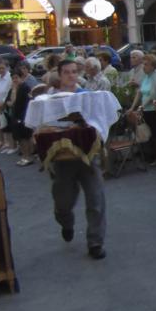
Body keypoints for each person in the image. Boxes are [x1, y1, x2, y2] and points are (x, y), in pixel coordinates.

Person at [45, 60, 108, 259]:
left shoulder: (86, 96)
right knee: (63, 202)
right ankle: (66, 222)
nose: (71, 76)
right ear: (59, 75)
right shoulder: (52, 98)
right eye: (66, 72)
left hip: (88, 156)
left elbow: (98, 120)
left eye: (74, 72)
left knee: (96, 200)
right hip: (63, 158)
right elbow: (43, 124)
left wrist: (88, 127)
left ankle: (95, 242)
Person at [131, 54, 156, 168]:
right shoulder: (147, 75)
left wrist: (141, 107)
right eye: (143, 64)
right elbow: (140, 91)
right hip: (147, 110)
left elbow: (154, 94)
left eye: (146, 64)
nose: (144, 67)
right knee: (154, 136)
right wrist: (133, 107)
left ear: (153, 65)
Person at [8, 70, 35, 166]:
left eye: (16, 77)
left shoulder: (25, 88)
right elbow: (10, 102)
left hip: (23, 116)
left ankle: (28, 157)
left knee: (25, 138)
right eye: (13, 78)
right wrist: (13, 90)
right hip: (16, 115)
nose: (14, 80)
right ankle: (25, 156)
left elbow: (26, 103)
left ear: (21, 77)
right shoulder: (14, 88)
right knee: (20, 138)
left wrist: (24, 118)